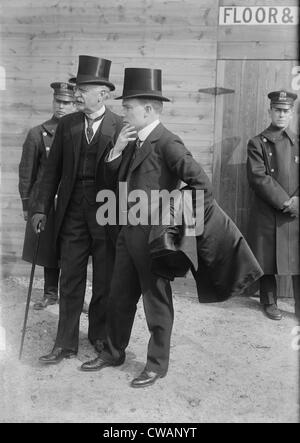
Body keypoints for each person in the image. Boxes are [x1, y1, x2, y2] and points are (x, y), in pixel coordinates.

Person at [79, 67, 219, 387]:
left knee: (156, 302)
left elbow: (201, 185)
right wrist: (115, 151)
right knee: (120, 296)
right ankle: (114, 352)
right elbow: (113, 183)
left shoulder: (167, 141)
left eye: (128, 107)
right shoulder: (132, 140)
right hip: (127, 234)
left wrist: (169, 222)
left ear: (149, 109)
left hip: (154, 239)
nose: (124, 112)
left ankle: (156, 364)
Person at [31, 55, 123, 364]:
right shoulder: (68, 124)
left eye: (85, 88)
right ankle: (65, 343)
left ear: (103, 93)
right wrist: (40, 208)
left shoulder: (120, 126)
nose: (78, 93)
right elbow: (50, 172)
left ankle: (97, 335)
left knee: (105, 280)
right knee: (70, 277)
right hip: (71, 213)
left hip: (106, 215)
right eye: (77, 87)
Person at [19, 81, 76, 310]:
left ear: (75, 104)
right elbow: (27, 172)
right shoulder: (37, 134)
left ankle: (73, 295)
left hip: (72, 201)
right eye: (58, 101)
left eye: (67, 102)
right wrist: (27, 204)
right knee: (49, 249)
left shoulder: (79, 132)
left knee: (72, 250)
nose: (61, 106)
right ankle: (51, 293)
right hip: (47, 202)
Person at [247, 90, 299, 321]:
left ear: (292, 113)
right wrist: (285, 201)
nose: (281, 114)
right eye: (277, 110)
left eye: (285, 111)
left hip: (296, 212)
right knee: (267, 257)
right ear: (270, 112)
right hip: (269, 209)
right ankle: (269, 301)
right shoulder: (257, 142)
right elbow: (258, 177)